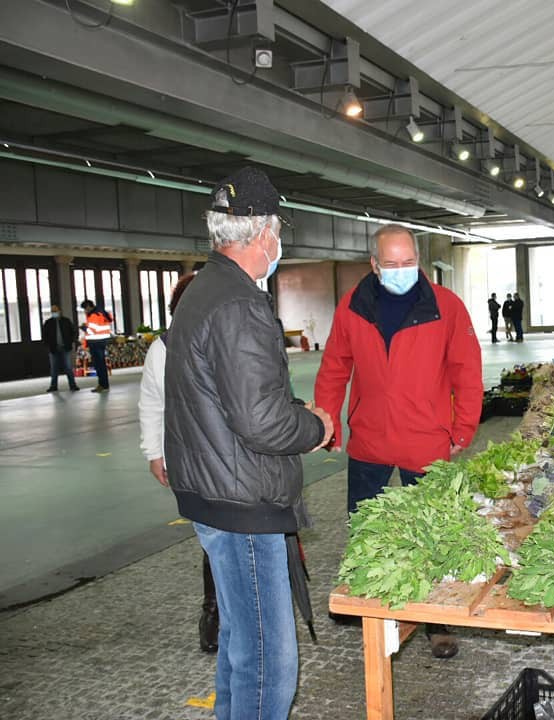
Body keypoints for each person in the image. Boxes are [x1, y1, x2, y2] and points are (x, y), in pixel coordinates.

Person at [164, 167, 334, 720]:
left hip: (215, 491)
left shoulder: (202, 291)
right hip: (245, 504)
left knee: (242, 648)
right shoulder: (239, 303)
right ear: (263, 234)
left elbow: (230, 398)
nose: (279, 242)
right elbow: (261, 422)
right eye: (279, 230)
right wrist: (316, 428)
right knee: (269, 662)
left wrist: (289, 411)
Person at [315, 223, 483, 659]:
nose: (400, 270)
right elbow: (335, 365)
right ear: (374, 265)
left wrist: (463, 427)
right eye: (390, 264)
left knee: (431, 532)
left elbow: (467, 369)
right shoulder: (353, 306)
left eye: (408, 262)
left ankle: (435, 621)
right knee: (363, 527)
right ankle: (364, 600)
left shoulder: (446, 307)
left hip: (425, 440)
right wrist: (327, 418)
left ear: (419, 261)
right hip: (369, 438)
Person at [138, 274, 221, 653]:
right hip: (191, 460)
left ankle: (227, 611)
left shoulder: (227, 341)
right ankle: (213, 611)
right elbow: (153, 402)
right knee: (214, 539)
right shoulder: (164, 348)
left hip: (230, 457)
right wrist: (154, 451)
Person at [43, 305, 79, 392]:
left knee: (68, 367)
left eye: (55, 311)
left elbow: (73, 332)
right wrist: (48, 345)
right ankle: (53, 386)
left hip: (65, 348)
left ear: (60, 311)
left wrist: (71, 341)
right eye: (52, 311)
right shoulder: (48, 323)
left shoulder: (66, 321)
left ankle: (72, 385)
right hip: (53, 349)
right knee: (54, 369)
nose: (54, 312)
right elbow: (45, 336)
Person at [80, 299, 113, 392]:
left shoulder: (94, 315)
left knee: (99, 365)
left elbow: (92, 330)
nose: (85, 311)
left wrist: (84, 327)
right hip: (101, 341)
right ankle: (104, 384)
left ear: (89, 307)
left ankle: (102, 384)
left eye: (85, 309)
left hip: (96, 343)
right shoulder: (102, 313)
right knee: (101, 364)